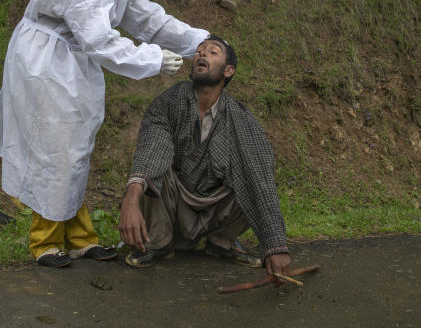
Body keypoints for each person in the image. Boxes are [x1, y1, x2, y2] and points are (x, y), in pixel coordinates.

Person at [0, 0, 209, 268]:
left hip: (72, 60)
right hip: (46, 61)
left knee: (75, 148)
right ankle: (45, 242)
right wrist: (152, 60)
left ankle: (81, 238)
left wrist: (201, 41)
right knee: (54, 149)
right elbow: (98, 40)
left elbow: (151, 21)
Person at [118, 36, 292, 279]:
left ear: (228, 70)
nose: (201, 55)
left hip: (215, 209)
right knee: (150, 174)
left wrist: (275, 246)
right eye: (199, 51)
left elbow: (260, 179)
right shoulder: (170, 101)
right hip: (173, 206)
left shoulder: (240, 118)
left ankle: (220, 241)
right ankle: (159, 243)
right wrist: (130, 199)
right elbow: (152, 150)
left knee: (253, 173)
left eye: (212, 52)